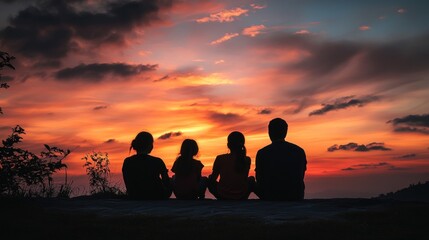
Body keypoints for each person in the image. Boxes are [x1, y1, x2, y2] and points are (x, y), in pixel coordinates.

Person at [255, 118, 307, 201]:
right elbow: (301, 175)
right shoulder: (299, 151)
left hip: (270, 196)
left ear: (269, 132)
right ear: (285, 132)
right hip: (295, 195)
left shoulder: (262, 153)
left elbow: (259, 178)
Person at [122, 131, 172, 200]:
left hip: (135, 195)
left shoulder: (127, 161)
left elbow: (128, 182)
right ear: (150, 145)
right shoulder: (157, 161)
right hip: (157, 195)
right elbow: (166, 181)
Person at [208, 131, 254, 200]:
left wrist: (210, 178)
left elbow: (213, 178)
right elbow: (244, 179)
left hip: (222, 195)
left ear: (228, 145)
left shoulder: (220, 158)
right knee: (251, 179)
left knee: (208, 180)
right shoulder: (247, 159)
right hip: (241, 195)